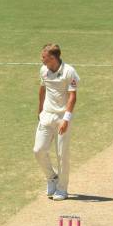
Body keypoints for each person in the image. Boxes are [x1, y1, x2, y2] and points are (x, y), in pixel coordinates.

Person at [33, 44, 80, 201]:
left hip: (62, 117)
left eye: (44, 56)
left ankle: (62, 188)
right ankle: (52, 177)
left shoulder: (69, 71)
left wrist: (66, 119)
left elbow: (72, 96)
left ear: (52, 58)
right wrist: (40, 110)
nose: (41, 58)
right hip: (46, 115)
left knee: (62, 154)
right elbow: (43, 89)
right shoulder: (43, 70)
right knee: (38, 150)